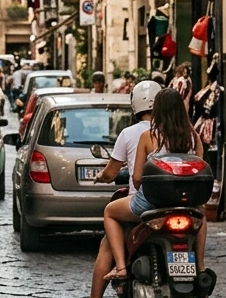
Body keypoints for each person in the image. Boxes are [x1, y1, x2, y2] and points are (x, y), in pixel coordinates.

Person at [102, 88, 207, 280]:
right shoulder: (193, 137)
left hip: (151, 202)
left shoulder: (148, 136)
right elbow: (199, 169)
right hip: (186, 202)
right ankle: (200, 266)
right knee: (200, 215)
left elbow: (137, 178)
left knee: (110, 212)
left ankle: (120, 267)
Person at [89, 80, 159, 298]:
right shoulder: (176, 131)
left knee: (107, 242)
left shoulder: (130, 134)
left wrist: (102, 177)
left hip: (143, 203)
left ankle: (118, 269)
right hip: (178, 201)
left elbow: (114, 174)